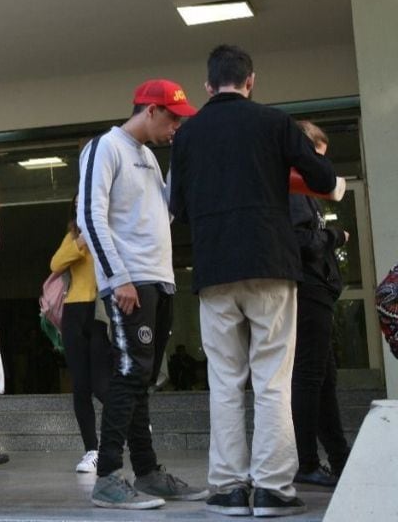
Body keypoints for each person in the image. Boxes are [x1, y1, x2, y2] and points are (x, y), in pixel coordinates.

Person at [169, 45, 338, 517]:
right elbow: (322, 175)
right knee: (271, 380)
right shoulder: (275, 123)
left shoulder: (187, 135)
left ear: (207, 85)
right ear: (251, 81)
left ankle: (226, 488)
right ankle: (271, 489)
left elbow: (177, 207)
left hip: (215, 268)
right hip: (271, 264)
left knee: (224, 380)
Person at [77, 79, 206, 510]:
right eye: (172, 118)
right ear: (150, 111)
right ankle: (108, 476)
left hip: (159, 279)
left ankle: (147, 472)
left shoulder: (149, 156)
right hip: (129, 281)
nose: (175, 127)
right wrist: (118, 279)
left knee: (142, 379)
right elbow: (89, 217)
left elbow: (164, 214)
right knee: (129, 374)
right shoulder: (105, 148)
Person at [289, 121, 351, 488]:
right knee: (312, 377)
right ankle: (308, 461)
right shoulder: (294, 189)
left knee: (323, 378)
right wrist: (335, 236)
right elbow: (302, 241)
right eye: (317, 157)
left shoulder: (301, 190)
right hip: (309, 286)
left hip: (315, 287)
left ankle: (338, 457)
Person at [49, 196, 110, 474]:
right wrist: (80, 243)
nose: (79, 209)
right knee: (81, 387)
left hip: (100, 312)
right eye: (75, 206)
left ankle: (128, 423)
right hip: (74, 311)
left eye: (83, 204)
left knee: (101, 384)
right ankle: (92, 450)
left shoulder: (111, 229)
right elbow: (56, 263)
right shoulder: (73, 236)